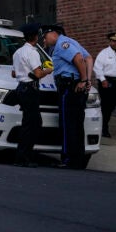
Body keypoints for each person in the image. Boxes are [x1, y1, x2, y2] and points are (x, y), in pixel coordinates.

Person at [42, 24, 93, 169]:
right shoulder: (72, 42)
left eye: (44, 37)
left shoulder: (62, 44)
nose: (44, 41)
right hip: (76, 86)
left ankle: (69, 159)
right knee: (77, 124)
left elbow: (78, 58)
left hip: (69, 87)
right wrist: (87, 79)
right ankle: (78, 159)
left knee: (67, 124)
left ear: (52, 34)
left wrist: (84, 80)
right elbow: (88, 58)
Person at [12, 23, 53, 167]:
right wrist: (48, 69)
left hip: (21, 88)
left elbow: (14, 73)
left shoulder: (18, 52)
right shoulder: (33, 52)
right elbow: (38, 73)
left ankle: (21, 156)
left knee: (28, 123)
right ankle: (24, 157)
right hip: (30, 90)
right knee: (33, 125)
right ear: (35, 37)